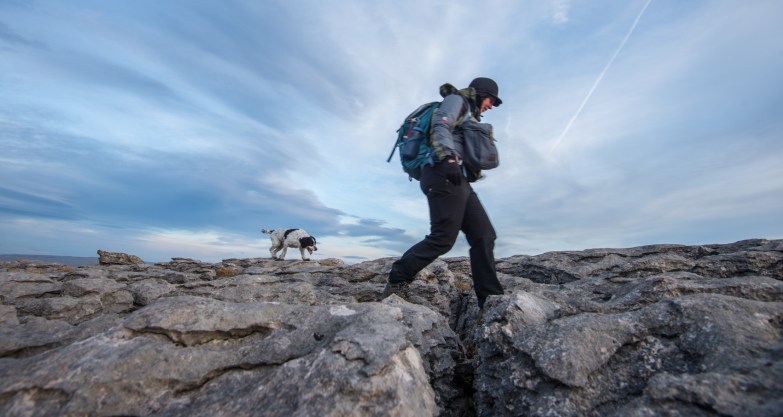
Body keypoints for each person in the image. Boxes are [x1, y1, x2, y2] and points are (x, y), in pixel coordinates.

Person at [381, 77, 505, 309]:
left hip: (459, 178)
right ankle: (398, 278)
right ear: (481, 93)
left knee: (484, 234)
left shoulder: (469, 113)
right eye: (491, 100)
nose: (491, 106)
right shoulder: (456, 100)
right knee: (443, 238)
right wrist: (448, 157)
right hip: (442, 171)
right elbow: (441, 123)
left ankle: (490, 298)